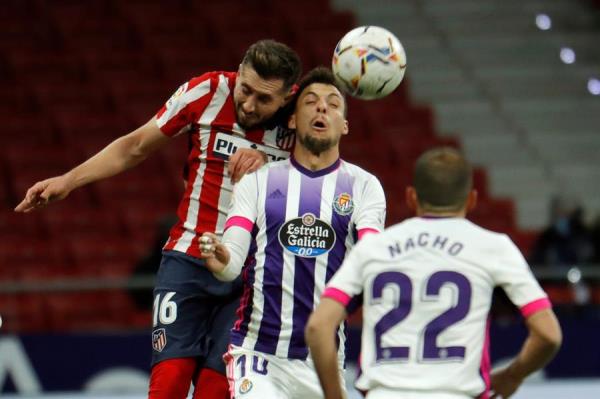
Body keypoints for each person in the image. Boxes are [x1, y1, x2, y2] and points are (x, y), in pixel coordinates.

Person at [14, 39, 302, 399]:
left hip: (252, 277)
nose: (248, 104)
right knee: (168, 387)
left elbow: (321, 186)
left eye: (264, 99)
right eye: (245, 90)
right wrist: (68, 181)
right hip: (188, 261)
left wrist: (273, 172)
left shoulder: (300, 125)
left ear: (288, 95)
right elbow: (135, 145)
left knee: (215, 392)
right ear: (238, 72)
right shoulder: (208, 91)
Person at [306, 147, 562, 399]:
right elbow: (549, 335)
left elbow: (318, 327)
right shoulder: (494, 247)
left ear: (411, 197)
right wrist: (513, 375)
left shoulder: (373, 248)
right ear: (471, 199)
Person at [198, 66, 386, 399]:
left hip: (324, 363)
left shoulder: (364, 186)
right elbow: (230, 264)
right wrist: (219, 254)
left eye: (333, 103)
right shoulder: (259, 180)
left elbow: (370, 258)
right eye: (311, 102)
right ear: (292, 121)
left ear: (344, 125)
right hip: (258, 356)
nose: (322, 108)